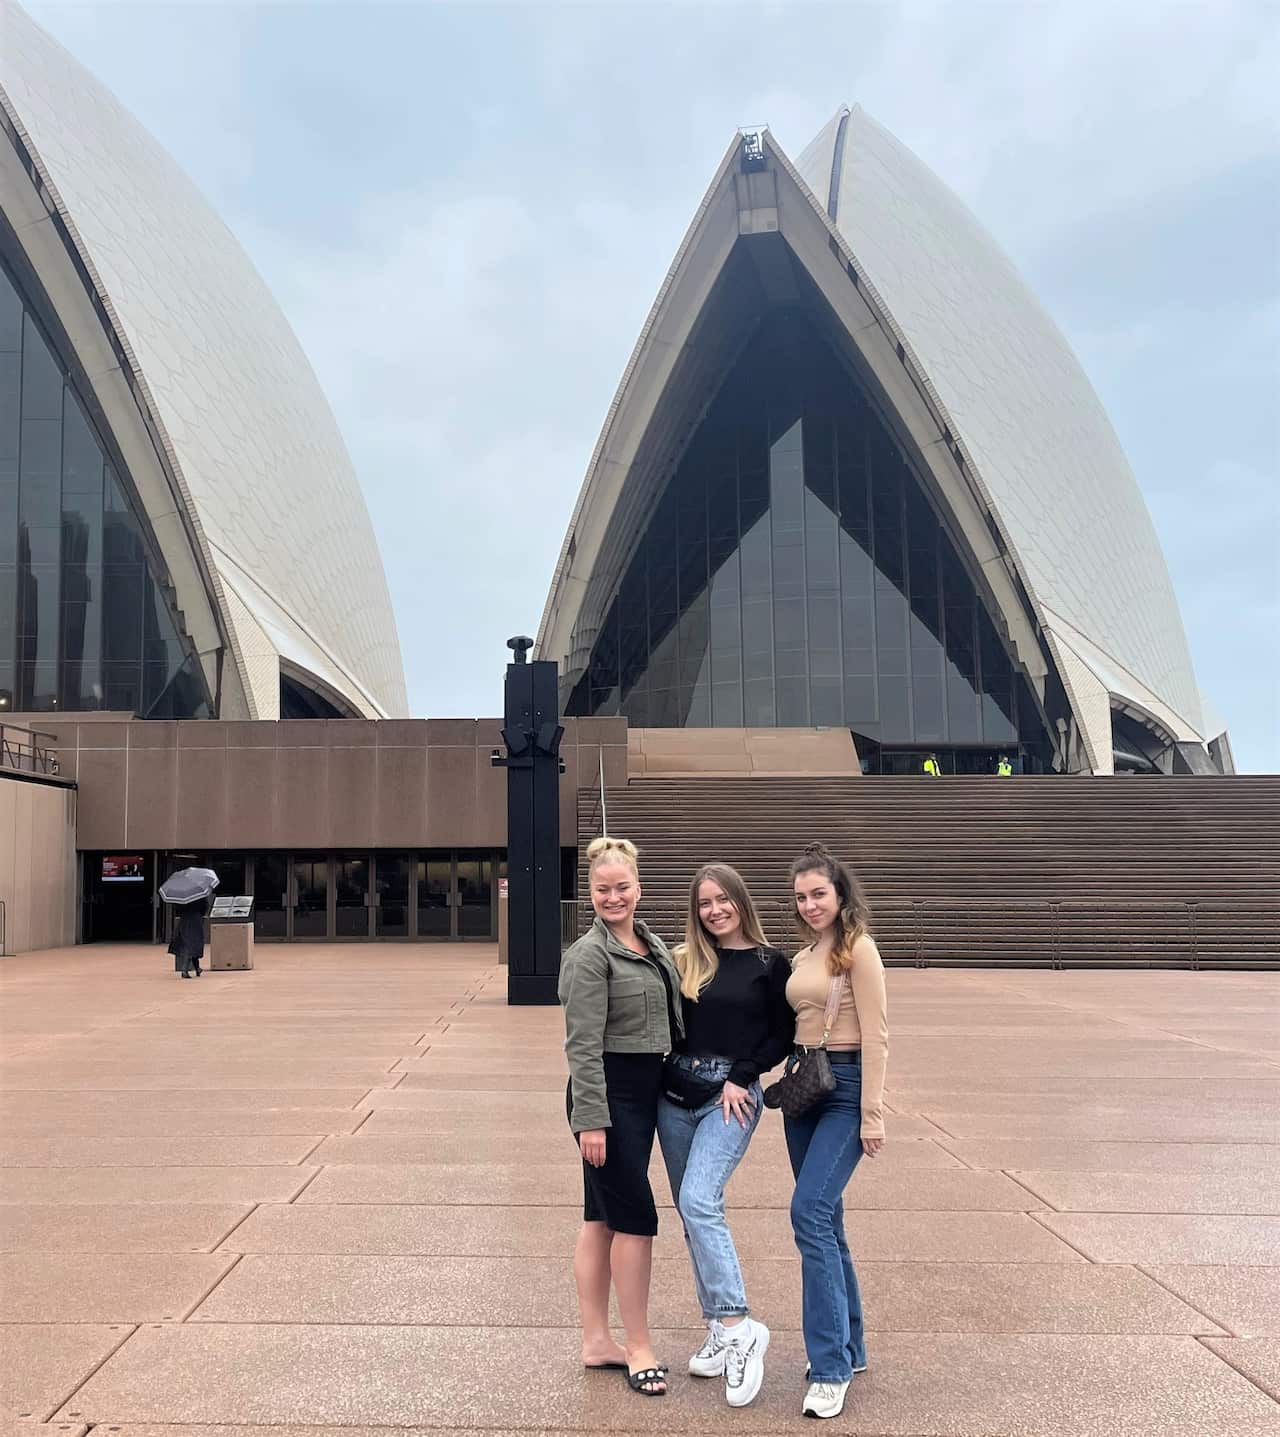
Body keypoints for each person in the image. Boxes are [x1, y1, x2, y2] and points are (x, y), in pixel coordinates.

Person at [657, 863, 794, 1409]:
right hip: (675, 1099)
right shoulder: (684, 960)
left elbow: (783, 1035)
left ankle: (739, 1328)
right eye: (704, 903)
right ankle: (717, 1324)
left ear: (740, 900)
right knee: (690, 1215)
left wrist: (742, 1074)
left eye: (722, 900)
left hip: (729, 1097)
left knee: (699, 1200)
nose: (714, 910)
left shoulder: (768, 963)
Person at [559, 835, 684, 1398]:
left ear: (639, 887)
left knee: (600, 1218)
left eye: (623, 887)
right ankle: (637, 1345)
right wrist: (591, 1120)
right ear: (589, 891)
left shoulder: (649, 943)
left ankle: (595, 1341)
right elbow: (581, 1045)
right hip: (607, 1098)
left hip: (642, 1092)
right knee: (636, 1220)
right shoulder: (588, 956)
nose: (614, 897)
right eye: (602, 889)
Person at [783, 843, 888, 1421]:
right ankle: (852, 1345)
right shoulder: (807, 950)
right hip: (804, 1087)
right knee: (828, 1219)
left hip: (844, 1086)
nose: (810, 904)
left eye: (818, 893)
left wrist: (872, 1114)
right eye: (801, 896)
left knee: (809, 1214)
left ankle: (829, 1368)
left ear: (840, 893)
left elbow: (877, 1035)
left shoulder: (858, 950)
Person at [169, 897, 207, 978]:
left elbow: (177, 909)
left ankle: (197, 968)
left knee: (189, 943)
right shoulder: (200, 896)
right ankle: (185, 970)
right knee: (193, 944)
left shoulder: (182, 897)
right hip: (195, 920)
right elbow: (204, 908)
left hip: (185, 920)